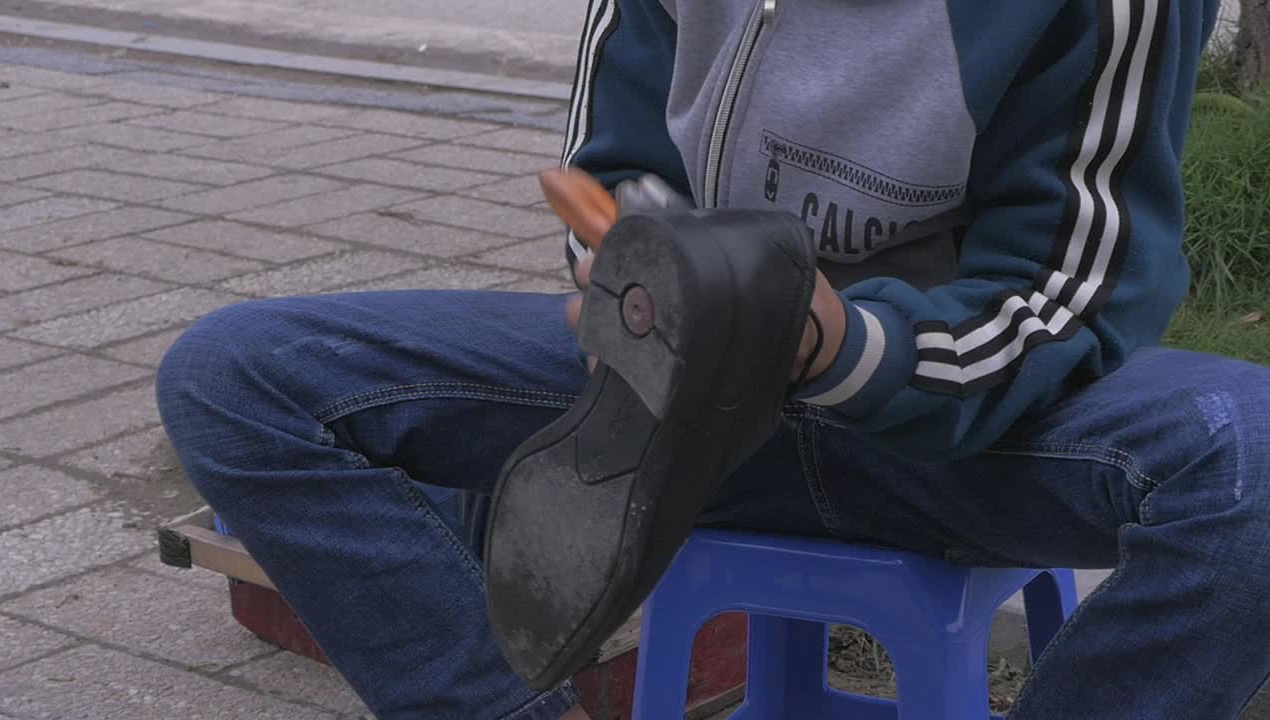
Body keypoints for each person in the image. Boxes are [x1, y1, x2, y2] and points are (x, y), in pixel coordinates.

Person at [156, 0, 1270, 717]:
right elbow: (614, 170)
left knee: (1254, 463)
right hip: (668, 399)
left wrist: (838, 343)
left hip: (950, 425)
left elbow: (1064, 288)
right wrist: (632, 282)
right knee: (237, 378)